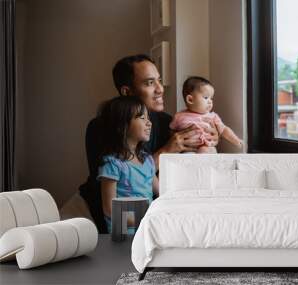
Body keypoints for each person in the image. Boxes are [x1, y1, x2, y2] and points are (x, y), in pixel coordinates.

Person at [79, 55, 219, 232]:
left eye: (159, 81)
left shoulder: (168, 122)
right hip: (108, 214)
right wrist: (167, 150)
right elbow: (113, 184)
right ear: (127, 92)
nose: (160, 89)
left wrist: (210, 139)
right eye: (149, 83)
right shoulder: (101, 127)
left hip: (149, 209)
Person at [97, 96, 158, 234]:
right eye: (142, 118)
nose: (149, 123)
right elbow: (109, 210)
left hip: (147, 228)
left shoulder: (147, 160)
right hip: (125, 233)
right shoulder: (113, 164)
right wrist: (143, 220)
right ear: (122, 125)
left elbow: (162, 191)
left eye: (148, 118)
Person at [169, 76, 242, 153]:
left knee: (204, 151)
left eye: (211, 98)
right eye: (206, 97)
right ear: (190, 99)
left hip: (207, 147)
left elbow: (224, 129)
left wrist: (235, 140)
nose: (210, 101)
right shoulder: (179, 116)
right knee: (184, 156)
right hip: (187, 149)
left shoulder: (212, 116)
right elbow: (171, 131)